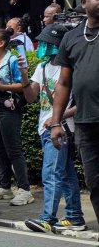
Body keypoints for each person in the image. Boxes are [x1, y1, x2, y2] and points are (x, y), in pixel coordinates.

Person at [49, 0, 99, 247]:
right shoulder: (72, 38)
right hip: (86, 122)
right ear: (84, 3)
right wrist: (56, 121)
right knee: (95, 183)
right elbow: (63, 83)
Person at [23, 24, 84, 232]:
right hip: (45, 128)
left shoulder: (71, 70)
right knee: (65, 174)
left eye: (46, 43)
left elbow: (81, 102)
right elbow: (31, 97)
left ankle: (47, 218)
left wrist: (58, 118)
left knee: (51, 174)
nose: (42, 47)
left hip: (61, 129)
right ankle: (75, 217)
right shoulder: (41, 68)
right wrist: (24, 77)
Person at [0, 29, 34, 206]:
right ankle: (4, 186)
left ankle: (25, 189)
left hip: (8, 107)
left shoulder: (12, 60)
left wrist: (3, 88)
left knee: (13, 149)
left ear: (1, 43)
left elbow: (24, 85)